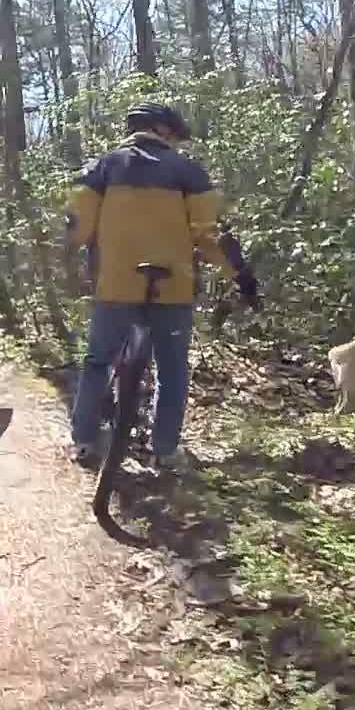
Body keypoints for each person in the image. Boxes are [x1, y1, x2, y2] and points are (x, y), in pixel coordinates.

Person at [66, 102, 260, 471]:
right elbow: (212, 236)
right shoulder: (189, 172)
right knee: (171, 370)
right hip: (173, 288)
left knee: (97, 362)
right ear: (163, 130)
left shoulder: (101, 167)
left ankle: (85, 442)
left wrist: (84, 263)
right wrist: (242, 278)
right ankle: (166, 450)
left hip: (115, 286)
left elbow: (76, 229)